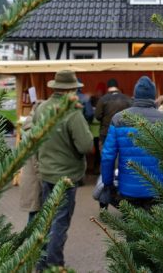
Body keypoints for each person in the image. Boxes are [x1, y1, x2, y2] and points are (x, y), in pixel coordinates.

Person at [34, 70, 93, 268]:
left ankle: (41, 263)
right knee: (59, 223)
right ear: (71, 90)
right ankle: (54, 265)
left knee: (46, 221)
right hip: (67, 176)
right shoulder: (72, 112)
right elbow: (85, 146)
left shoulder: (41, 107)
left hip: (46, 172)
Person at [100, 76, 163, 209]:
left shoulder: (119, 119)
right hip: (159, 187)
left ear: (135, 95)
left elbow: (108, 157)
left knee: (130, 228)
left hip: (128, 189)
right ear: (153, 96)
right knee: (157, 228)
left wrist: (108, 184)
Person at [94, 78, 132, 145]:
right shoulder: (127, 98)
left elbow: (97, 116)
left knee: (107, 154)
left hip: (106, 134)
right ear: (117, 87)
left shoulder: (102, 99)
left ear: (107, 87)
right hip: (123, 133)